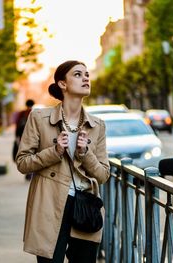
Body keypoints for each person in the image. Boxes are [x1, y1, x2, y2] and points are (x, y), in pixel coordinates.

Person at [15, 60, 110, 262]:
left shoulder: (97, 126)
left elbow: (103, 175)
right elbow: (22, 163)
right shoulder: (39, 118)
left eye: (86, 74)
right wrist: (55, 151)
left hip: (85, 207)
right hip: (49, 203)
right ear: (62, 84)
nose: (85, 78)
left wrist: (86, 153)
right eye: (77, 74)